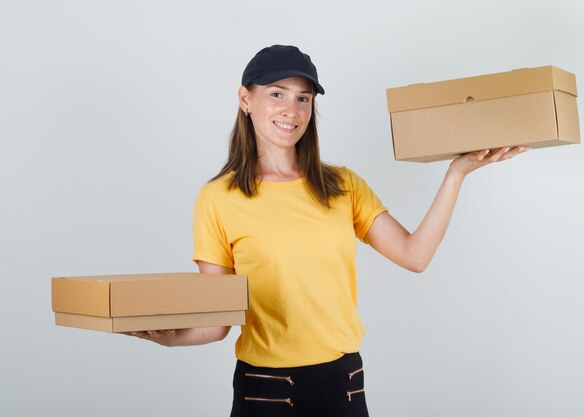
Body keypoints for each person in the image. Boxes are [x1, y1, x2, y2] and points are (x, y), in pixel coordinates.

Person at [127, 45, 529, 416]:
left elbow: (414, 255)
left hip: (344, 384)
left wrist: (456, 173)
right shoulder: (218, 198)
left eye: (304, 98)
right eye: (277, 93)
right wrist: (171, 338)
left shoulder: (342, 185)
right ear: (246, 99)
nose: (292, 109)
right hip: (264, 389)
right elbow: (217, 322)